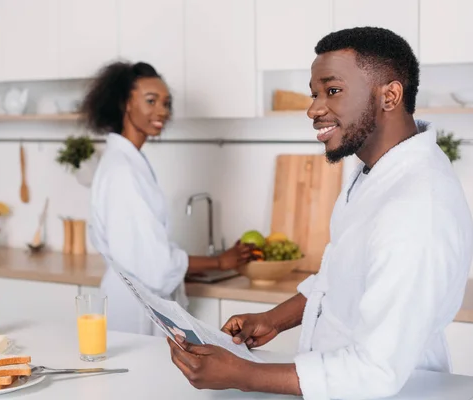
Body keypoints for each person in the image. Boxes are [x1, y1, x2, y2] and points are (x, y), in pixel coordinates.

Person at [167, 26, 473, 400]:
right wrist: (272, 320)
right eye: (314, 94)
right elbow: (341, 277)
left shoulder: (417, 207)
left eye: (333, 91)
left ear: (390, 95)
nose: (313, 108)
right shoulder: (373, 171)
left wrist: (242, 374)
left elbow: (374, 372)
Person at [86, 61, 254, 336]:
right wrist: (220, 262)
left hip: (132, 299)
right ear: (124, 103)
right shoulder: (123, 171)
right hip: (134, 311)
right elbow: (156, 266)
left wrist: (189, 268)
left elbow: (143, 251)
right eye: (151, 101)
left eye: (166, 103)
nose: (162, 111)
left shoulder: (127, 161)